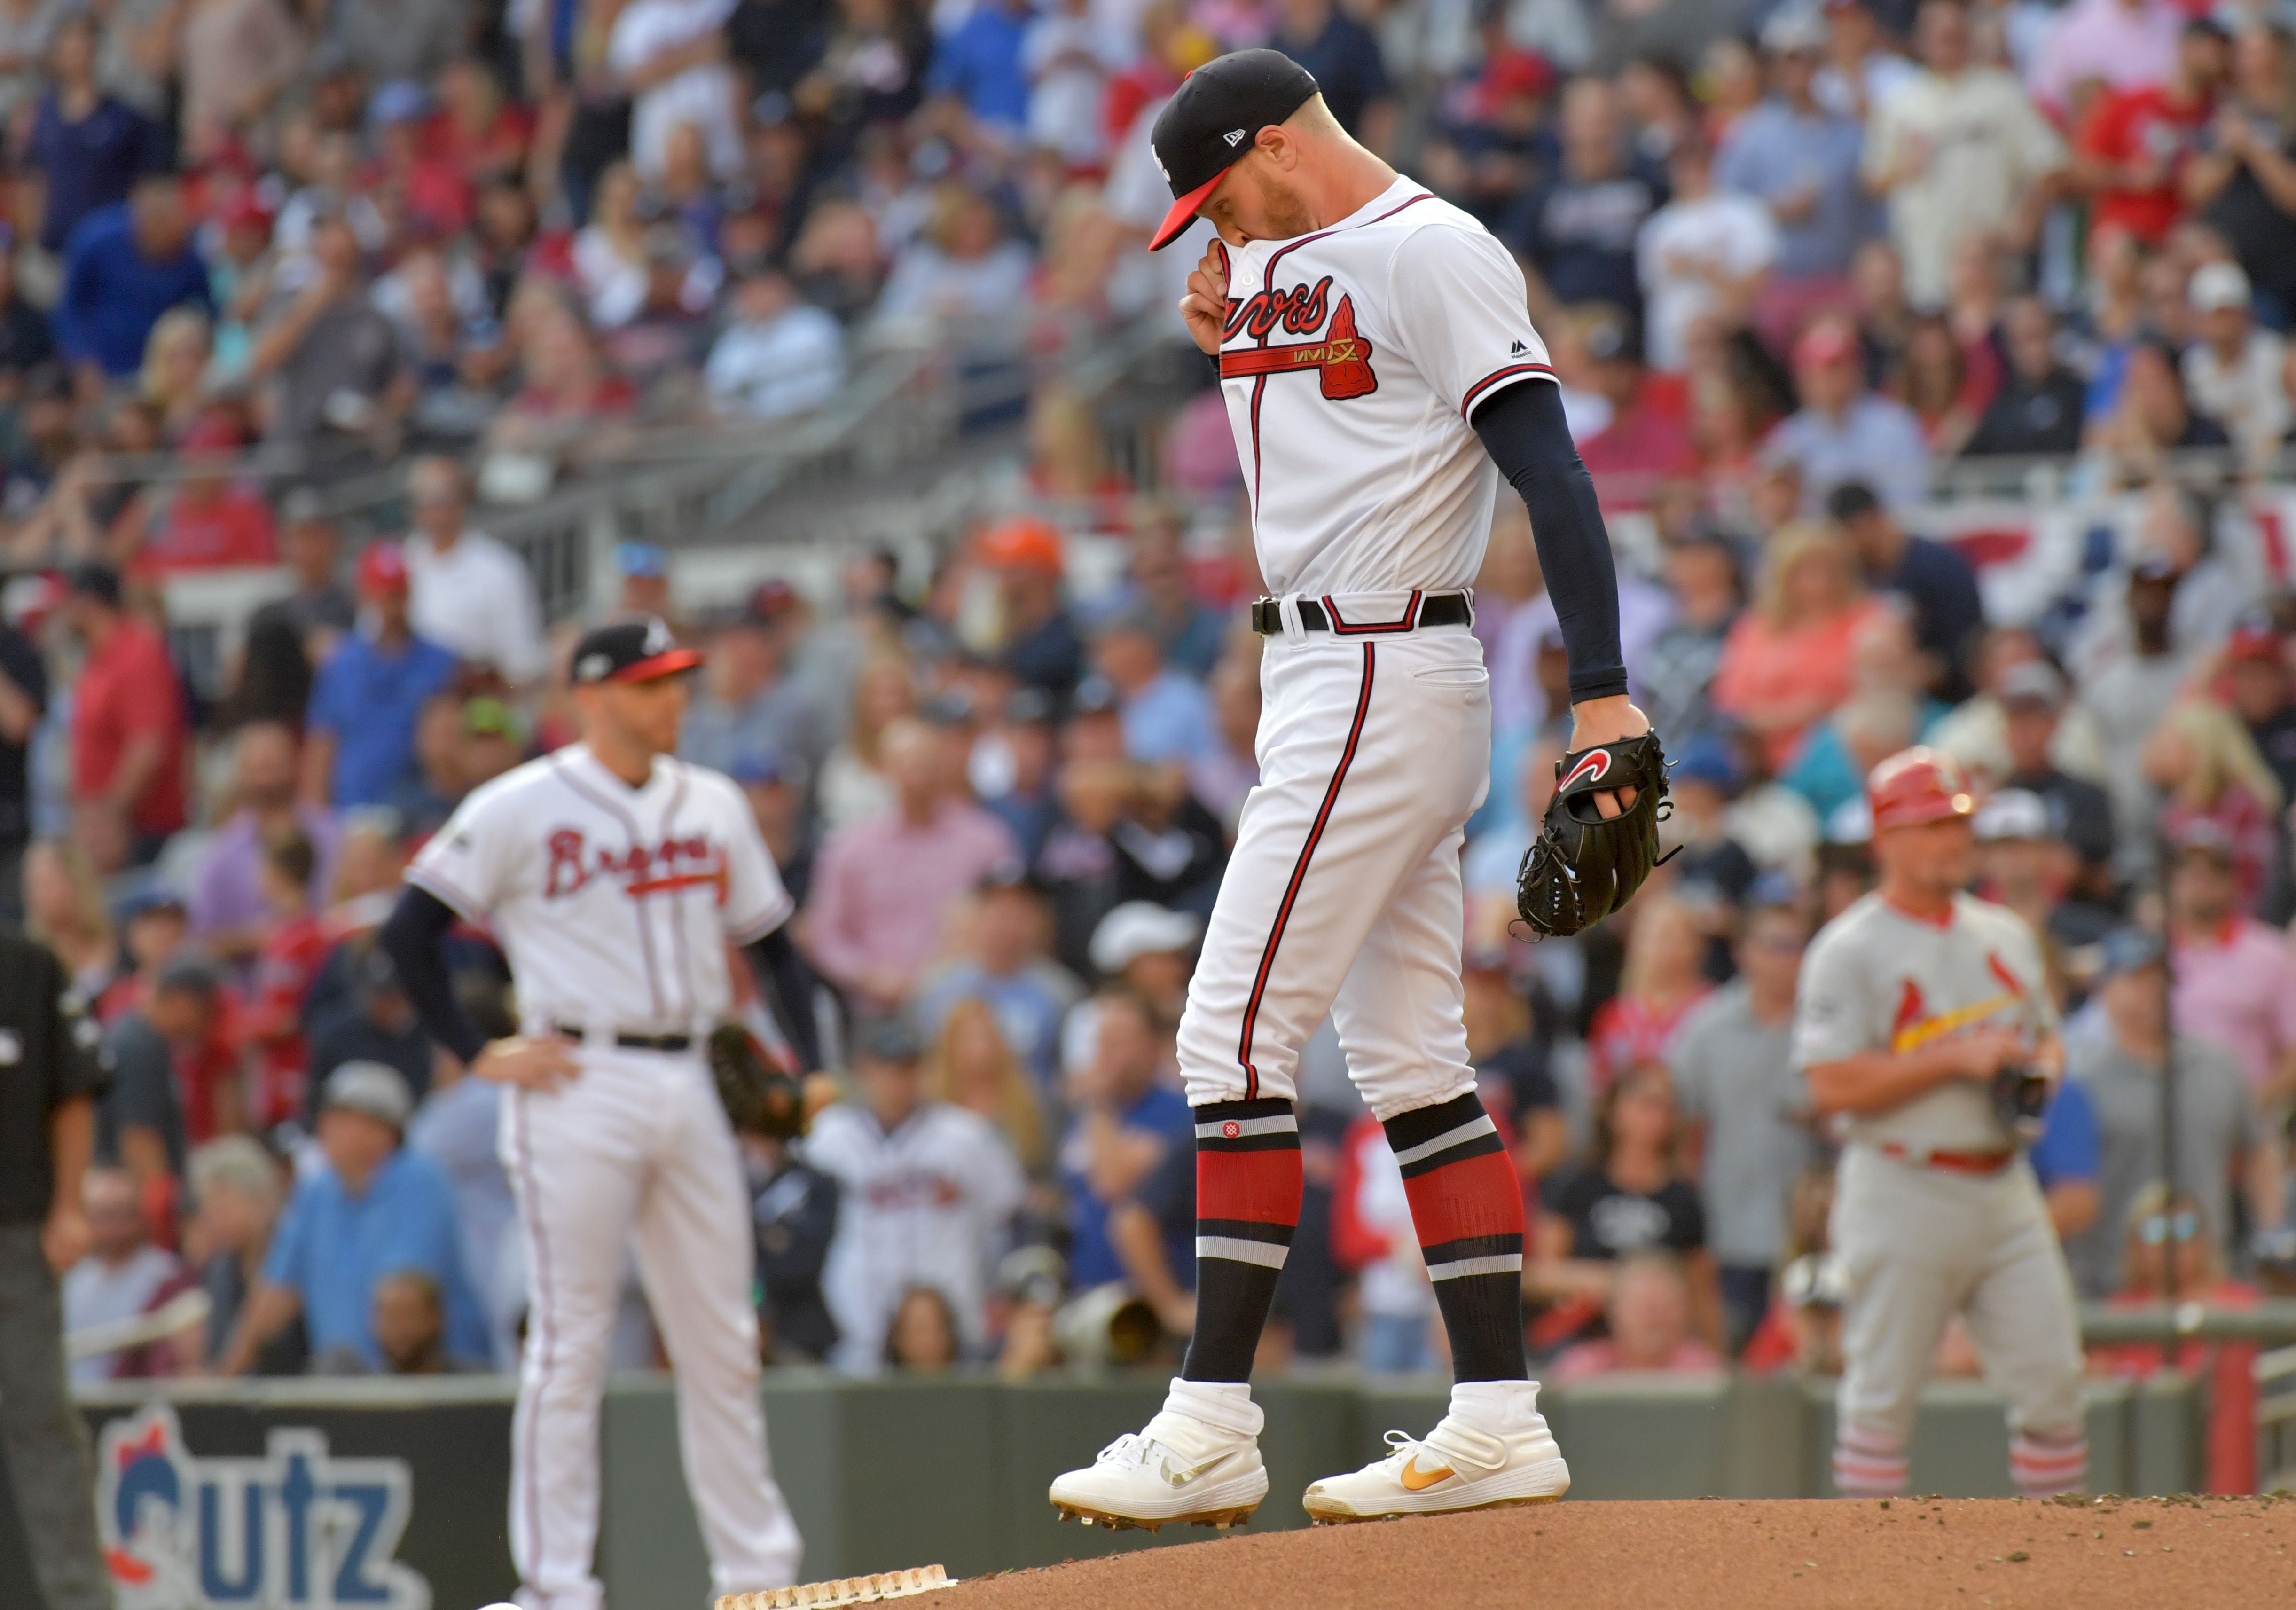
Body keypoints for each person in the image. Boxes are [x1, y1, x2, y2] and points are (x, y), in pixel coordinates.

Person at [1053, 49, 1646, 1531]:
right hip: (1325, 673)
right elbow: (1322, 391)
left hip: (1382, 660)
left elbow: (1546, 473)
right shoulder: (1271, 250)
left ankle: (1207, 1424)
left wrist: (1598, 687)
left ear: (1274, 142)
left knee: (1224, 1032)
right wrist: (1220, 310)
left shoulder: (1430, 248)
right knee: (1407, 1062)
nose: (1206, 224)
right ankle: (1499, 1416)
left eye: (1213, 191)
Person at [375, 615, 817, 1602]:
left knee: (721, 1339)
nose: (673, 698)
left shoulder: (712, 800)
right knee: (572, 1338)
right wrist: (476, 1049)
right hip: (576, 1077)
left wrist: (813, 1061)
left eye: (677, 680)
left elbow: (775, 943)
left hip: (692, 1075)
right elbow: (410, 930)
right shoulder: (521, 803)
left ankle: (757, 1575)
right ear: (593, 692)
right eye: (651, 682)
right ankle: (556, 1584)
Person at [1795, 746, 2087, 1500]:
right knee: (1880, 1405)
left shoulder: (2005, 933)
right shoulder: (1848, 948)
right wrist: (1954, 1060)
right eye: (1929, 824)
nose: (1951, 840)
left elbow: (2044, 1030)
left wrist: (2043, 1066)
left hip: (2003, 1184)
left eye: (1958, 822)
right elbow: (1829, 1084)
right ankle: (1869, 1578)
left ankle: (2053, 1576)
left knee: (2055, 1387)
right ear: (1885, 839)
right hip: (1902, 1181)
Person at [218, 1063, 484, 1372]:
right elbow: (275, 1295)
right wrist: (225, 1377)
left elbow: (404, 1302)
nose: (323, 1127)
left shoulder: (420, 1180)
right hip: (346, 1384)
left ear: (383, 1130)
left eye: (341, 1118)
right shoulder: (317, 1191)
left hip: (429, 1386)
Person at [2065, 927, 2280, 1299]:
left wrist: (2268, 1231)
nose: (2150, 991)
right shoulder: (2081, 1080)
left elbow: (2257, 1149)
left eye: (2160, 978)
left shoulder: (2217, 1065)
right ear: (2105, 990)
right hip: (2110, 1284)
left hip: (2208, 1279)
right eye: (2135, 978)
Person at [808, 1013, 1027, 1372]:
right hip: (857, 1337)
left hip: (954, 1339)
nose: (898, 1079)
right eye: (887, 1066)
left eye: (908, 1066)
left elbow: (1010, 1217)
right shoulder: (829, 1138)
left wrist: (1002, 1296)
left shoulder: (965, 1136)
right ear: (863, 1069)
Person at [0, 921, 111, 1610]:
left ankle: (78, 1600)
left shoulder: (26, 967)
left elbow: (71, 1094)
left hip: (13, 1234)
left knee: (41, 1420)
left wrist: (70, 1204)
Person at [1669, 897, 1820, 1353]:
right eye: (1774, 945)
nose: (1787, 959)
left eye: (1797, 946)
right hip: (1726, 1233)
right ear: (1743, 951)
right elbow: (1681, 1130)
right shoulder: (1707, 1027)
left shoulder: (1827, 1025)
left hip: (1810, 1239)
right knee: (1733, 1359)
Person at [805, 716, 1020, 1011]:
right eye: (906, 764)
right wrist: (869, 976)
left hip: (964, 1006)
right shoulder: (850, 850)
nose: (917, 776)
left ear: (942, 765)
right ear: (884, 769)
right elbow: (826, 934)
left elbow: (1011, 914)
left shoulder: (986, 842)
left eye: (925, 763)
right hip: (877, 1009)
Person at [1863, 0, 2065, 310]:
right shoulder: (1899, 102)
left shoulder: (2002, 94)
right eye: (1939, 34)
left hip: (1994, 275)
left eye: (1954, 33)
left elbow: (2050, 167)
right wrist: (1901, 169)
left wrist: (2024, 220)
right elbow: (1872, 179)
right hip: (1923, 274)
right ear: (1919, 39)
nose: (1947, 41)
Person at [1531, 1062, 1722, 1350]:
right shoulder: (1577, 1186)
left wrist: (1718, 1357)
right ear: (1614, 1111)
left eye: (1666, 1107)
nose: (1658, 1117)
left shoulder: (1683, 1197)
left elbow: (1701, 1292)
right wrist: (1611, 1282)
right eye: (1647, 1104)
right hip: (1584, 1339)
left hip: (1660, 1347)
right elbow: (1542, 1276)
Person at [303, 541, 460, 809]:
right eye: (383, 592)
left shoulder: (441, 662)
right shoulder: (342, 663)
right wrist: (318, 820)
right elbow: (322, 744)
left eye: (397, 592)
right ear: (367, 594)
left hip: (419, 811)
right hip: (353, 811)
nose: (391, 602)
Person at [63, 562, 186, 869]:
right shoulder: (98, 657)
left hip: (138, 832)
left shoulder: (136, 655)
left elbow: (147, 747)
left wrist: (110, 817)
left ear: (88, 603)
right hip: (105, 831)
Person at [1826, 480, 1983, 699]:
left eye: (1853, 530)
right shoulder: (1853, 572)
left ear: (1874, 518)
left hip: (1944, 697)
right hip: (1870, 692)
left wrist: (1923, 670)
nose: (1847, 542)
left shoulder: (1939, 567)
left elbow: (1968, 646)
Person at [401, 455, 548, 686]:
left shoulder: (498, 567)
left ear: (461, 504)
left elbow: (522, 656)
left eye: (441, 501)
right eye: (425, 502)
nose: (434, 513)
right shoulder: (402, 563)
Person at [53, 170, 211, 380]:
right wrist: (81, 359)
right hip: (100, 370)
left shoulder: (188, 256)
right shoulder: (97, 240)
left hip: (159, 376)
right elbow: (69, 306)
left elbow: (206, 311)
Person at [1763, 317, 1930, 512]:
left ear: (1857, 370)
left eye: (1839, 368)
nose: (1830, 381)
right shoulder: (1788, 438)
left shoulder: (1896, 424)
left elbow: (1912, 499)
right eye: (1820, 371)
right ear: (1803, 379)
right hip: (1819, 540)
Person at [61, 1164, 190, 1380]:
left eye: (122, 1215)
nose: (112, 1227)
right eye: (103, 1216)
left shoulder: (167, 1277)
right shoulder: (73, 1280)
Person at [1548, 1251, 1728, 1380]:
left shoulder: (1707, 1374)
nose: (1653, 1320)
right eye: (1642, 1307)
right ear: (1613, 1311)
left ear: (1686, 1310)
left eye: (1664, 1307)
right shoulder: (1581, 1371)